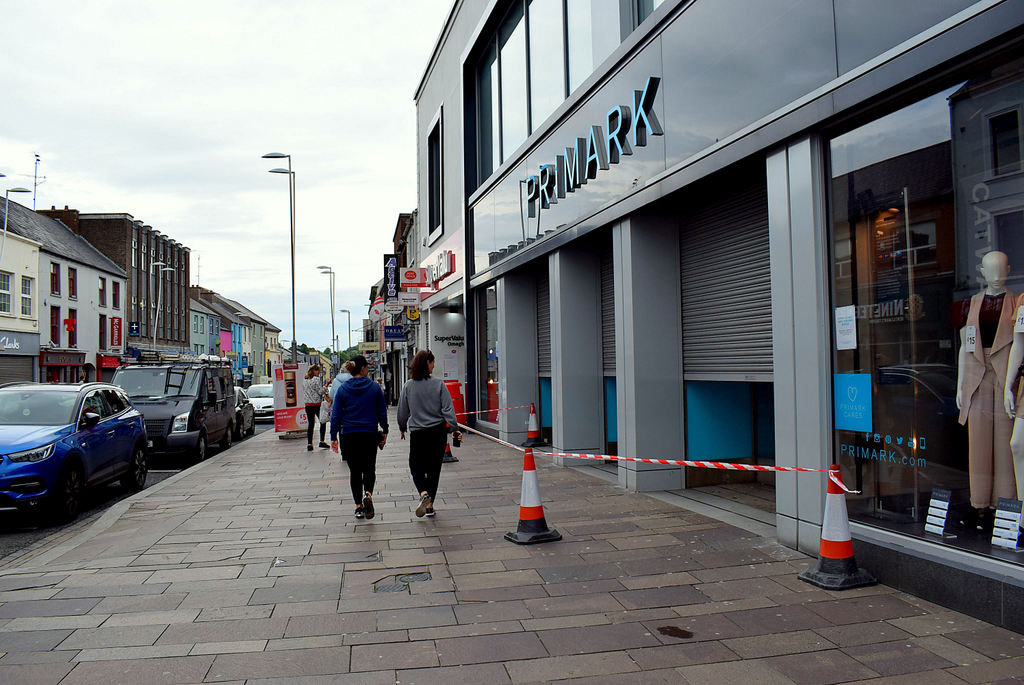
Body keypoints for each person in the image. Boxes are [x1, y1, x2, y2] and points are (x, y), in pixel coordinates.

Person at [397, 350, 461, 518]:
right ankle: (430, 505)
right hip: (437, 433)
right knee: (434, 469)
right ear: (427, 363)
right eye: (432, 362)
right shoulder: (439, 385)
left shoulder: (408, 386)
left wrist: (402, 426)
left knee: (416, 466)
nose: (434, 365)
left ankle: (423, 493)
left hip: (418, 434)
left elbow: (403, 411)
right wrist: (454, 427)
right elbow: (448, 409)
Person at [331, 355, 388, 519]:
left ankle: (358, 506)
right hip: (369, 434)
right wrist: (384, 430)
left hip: (349, 435)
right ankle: (368, 493)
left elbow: (336, 415)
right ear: (362, 368)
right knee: (370, 468)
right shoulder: (374, 388)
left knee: (355, 472)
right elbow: (382, 412)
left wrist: (333, 436)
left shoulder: (342, 389)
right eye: (367, 367)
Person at [302, 365, 328, 451]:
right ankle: (322, 441)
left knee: (311, 424)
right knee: (322, 422)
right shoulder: (316, 379)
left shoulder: (305, 380)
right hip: (317, 404)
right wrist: (327, 385)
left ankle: (310, 444)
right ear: (313, 371)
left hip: (308, 405)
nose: (319, 372)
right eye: (318, 370)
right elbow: (320, 391)